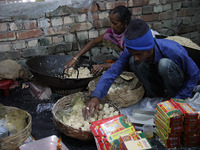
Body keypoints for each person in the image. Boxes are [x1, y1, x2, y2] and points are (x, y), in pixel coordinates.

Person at [82, 18, 200, 117]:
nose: (136, 57)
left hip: (177, 83)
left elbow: (194, 74)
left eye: (139, 54)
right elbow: (112, 72)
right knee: (134, 63)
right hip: (159, 81)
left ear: (150, 48)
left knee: (165, 64)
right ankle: (157, 97)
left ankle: (174, 99)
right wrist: (96, 96)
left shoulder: (173, 50)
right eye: (134, 53)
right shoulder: (132, 50)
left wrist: (180, 97)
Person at [64, 5, 131, 75]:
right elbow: (93, 42)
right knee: (106, 37)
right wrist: (75, 58)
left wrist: (104, 66)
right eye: (111, 22)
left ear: (125, 23)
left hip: (131, 63)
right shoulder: (112, 32)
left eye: (115, 23)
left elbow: (126, 61)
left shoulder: (131, 36)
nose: (111, 26)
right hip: (122, 60)